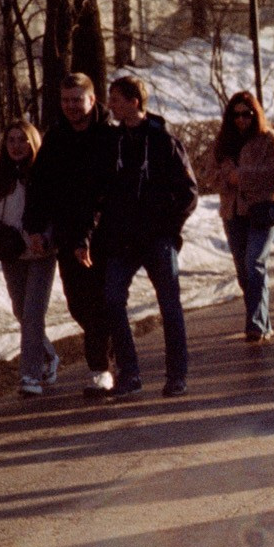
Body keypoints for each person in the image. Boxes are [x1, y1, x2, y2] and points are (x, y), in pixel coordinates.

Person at [96, 75, 198, 400]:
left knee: (169, 305)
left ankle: (177, 375)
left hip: (157, 239)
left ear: (134, 102)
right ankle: (130, 373)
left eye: (116, 98)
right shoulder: (112, 142)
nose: (110, 105)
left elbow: (189, 193)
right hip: (122, 240)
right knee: (112, 300)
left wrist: (168, 228)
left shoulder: (164, 141)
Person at [23, 73, 119, 393]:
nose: (71, 107)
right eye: (65, 100)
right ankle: (110, 343)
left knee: (98, 301)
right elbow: (40, 186)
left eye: (77, 100)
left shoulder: (109, 136)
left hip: (104, 233)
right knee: (77, 303)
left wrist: (89, 235)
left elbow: (109, 191)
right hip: (67, 234)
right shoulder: (57, 136)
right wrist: (34, 226)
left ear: (92, 100)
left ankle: (99, 369)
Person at [0, 120, 58, 395]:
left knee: (34, 313)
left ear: (32, 142)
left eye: (22, 139)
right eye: (11, 140)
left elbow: (54, 213)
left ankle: (30, 377)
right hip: (11, 253)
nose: (16, 145)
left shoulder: (43, 175)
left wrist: (46, 238)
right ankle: (48, 355)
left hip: (40, 253)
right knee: (20, 312)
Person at [211, 91, 274, 342]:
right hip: (232, 212)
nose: (241, 119)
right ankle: (261, 321)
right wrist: (229, 177)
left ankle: (254, 325)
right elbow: (210, 176)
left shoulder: (268, 139)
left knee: (254, 263)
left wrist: (240, 176)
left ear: (256, 114)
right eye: (236, 115)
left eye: (247, 114)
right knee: (244, 271)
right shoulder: (223, 143)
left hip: (261, 211)